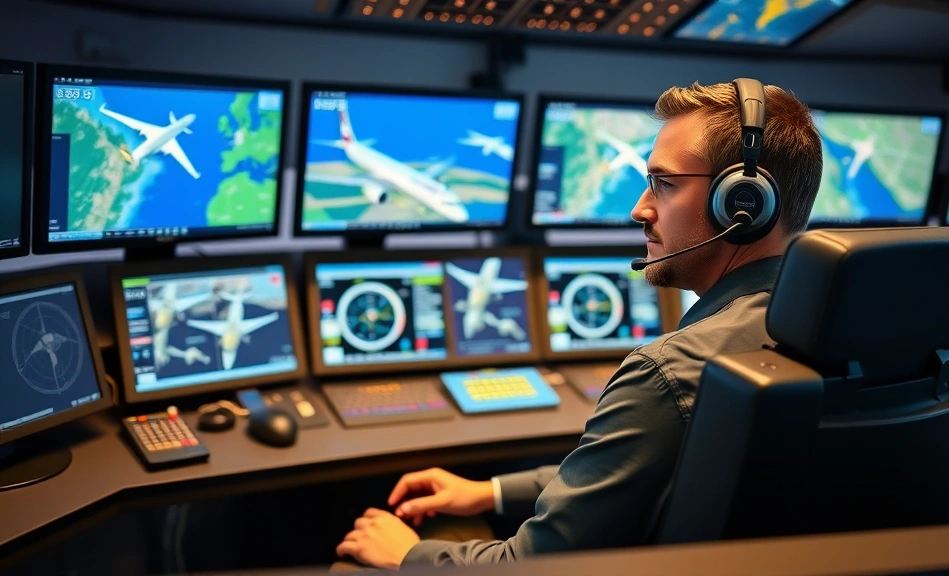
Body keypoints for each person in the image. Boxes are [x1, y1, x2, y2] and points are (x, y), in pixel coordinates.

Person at [334, 79, 824, 569]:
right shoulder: (830, 334)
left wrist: (407, 555)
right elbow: (629, 470)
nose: (640, 209)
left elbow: (530, 564)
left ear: (742, 204)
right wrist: (491, 491)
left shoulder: (666, 373)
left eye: (663, 183)